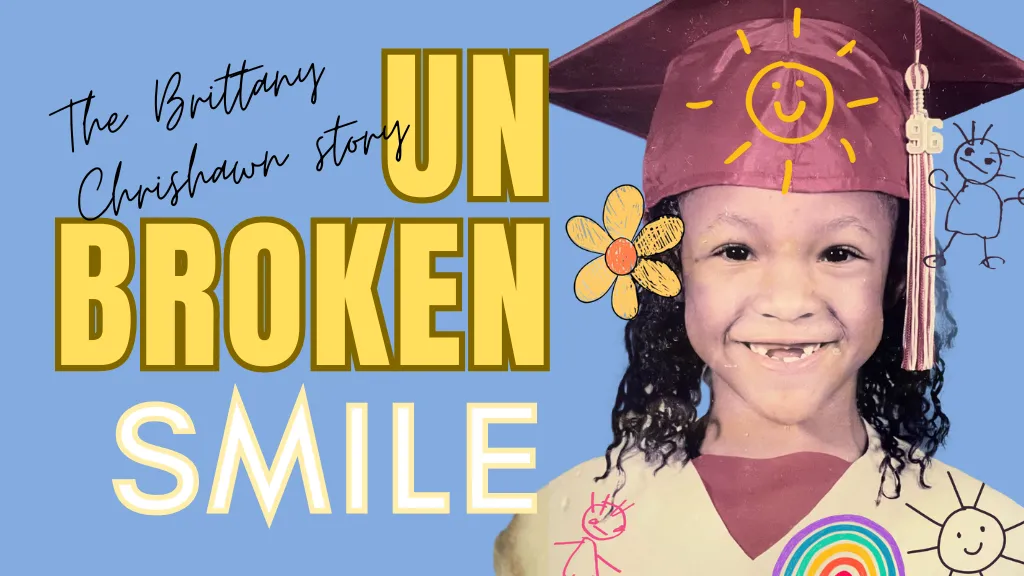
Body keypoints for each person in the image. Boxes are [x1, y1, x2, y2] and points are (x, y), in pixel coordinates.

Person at [494, 0, 1024, 574]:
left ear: (898, 276)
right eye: (735, 251)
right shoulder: (557, 535)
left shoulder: (984, 545)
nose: (789, 302)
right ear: (668, 267)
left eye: (840, 253)